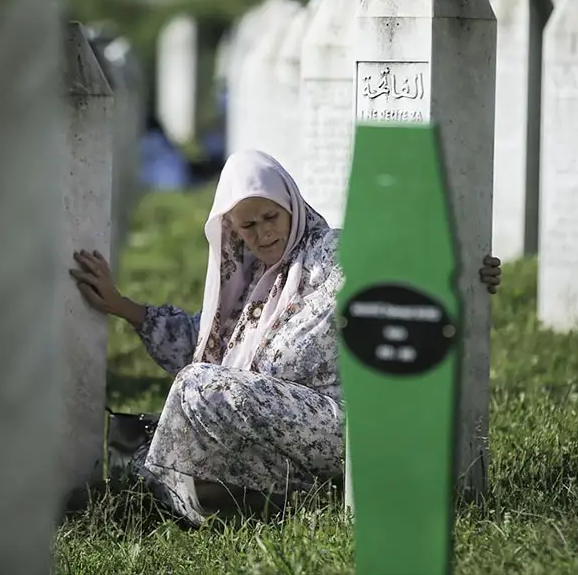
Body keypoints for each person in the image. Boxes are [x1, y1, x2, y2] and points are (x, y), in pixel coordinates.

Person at [70, 150, 502, 526]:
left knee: (194, 388)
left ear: (291, 205)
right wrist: (120, 304)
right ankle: (270, 496)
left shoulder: (330, 252)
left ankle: (161, 494)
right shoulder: (247, 277)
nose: (263, 234)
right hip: (275, 434)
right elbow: (199, 341)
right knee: (183, 404)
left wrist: (466, 275)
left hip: (342, 425)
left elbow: (391, 271)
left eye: (271, 217)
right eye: (248, 226)